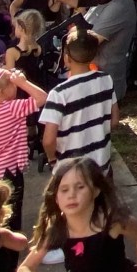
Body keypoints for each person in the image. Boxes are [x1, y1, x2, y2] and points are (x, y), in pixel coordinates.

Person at [0, 66, 49, 227]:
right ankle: (10, 245)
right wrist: (23, 82)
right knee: (11, 217)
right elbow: (42, 97)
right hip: (9, 174)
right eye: (11, 83)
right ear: (2, 91)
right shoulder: (12, 109)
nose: (15, 85)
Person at [66, 0, 137, 101]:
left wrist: (73, 33)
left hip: (104, 90)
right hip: (90, 83)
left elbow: (82, 45)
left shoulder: (118, 5)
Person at [39, 26, 117, 167]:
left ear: (66, 58)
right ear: (93, 56)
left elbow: (48, 140)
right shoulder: (106, 80)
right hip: (101, 165)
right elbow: (115, 120)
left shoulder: (58, 93)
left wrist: (52, 160)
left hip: (71, 171)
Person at [5, 8, 55, 92]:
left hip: (22, 93)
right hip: (39, 89)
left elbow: (10, 78)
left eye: (16, 26)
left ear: (21, 28)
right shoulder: (39, 48)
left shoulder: (12, 52)